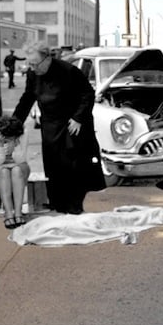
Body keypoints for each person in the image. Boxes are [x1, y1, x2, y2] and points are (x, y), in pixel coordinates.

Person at [12, 47, 106, 215]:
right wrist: (14, 123)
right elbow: (27, 99)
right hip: (50, 124)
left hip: (72, 123)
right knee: (53, 165)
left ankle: (74, 205)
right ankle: (56, 203)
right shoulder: (33, 74)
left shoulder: (69, 71)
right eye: (30, 65)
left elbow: (87, 95)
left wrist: (78, 118)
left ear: (47, 59)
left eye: (35, 64)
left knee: (73, 166)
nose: (32, 68)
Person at [0, 115, 30, 229]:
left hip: (18, 164)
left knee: (17, 170)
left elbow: (21, 159)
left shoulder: (23, 132)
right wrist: (0, 145)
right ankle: (8, 213)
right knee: (3, 171)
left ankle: (18, 212)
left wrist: (16, 145)